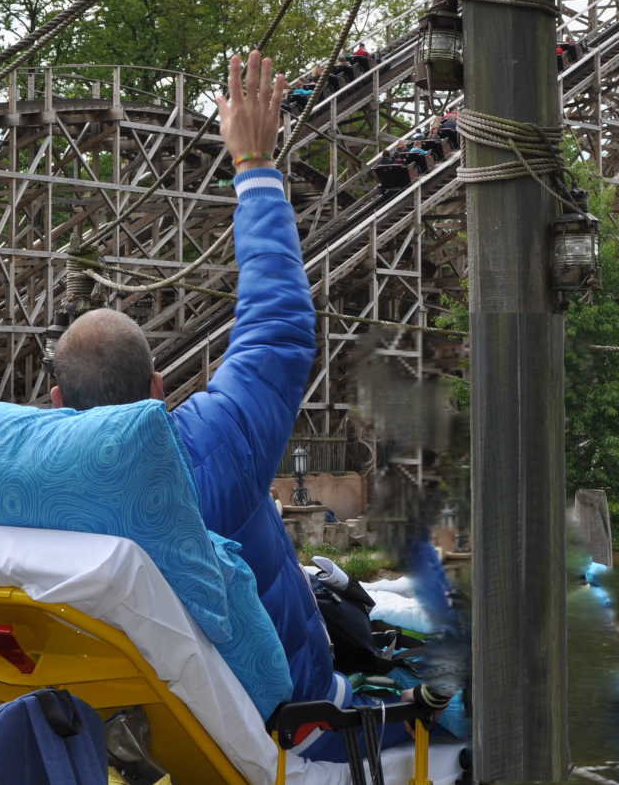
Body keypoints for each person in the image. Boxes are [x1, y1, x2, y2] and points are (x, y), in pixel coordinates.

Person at [47, 51, 438, 759]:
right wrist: (256, 168)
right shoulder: (207, 451)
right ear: (160, 388)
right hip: (286, 729)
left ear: (54, 402)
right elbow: (279, 326)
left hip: (133, 734)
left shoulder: (32, 486)